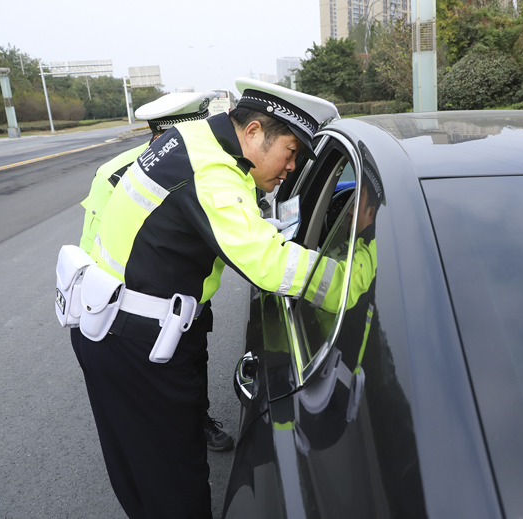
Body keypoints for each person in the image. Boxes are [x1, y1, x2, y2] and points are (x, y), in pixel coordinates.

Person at [67, 78, 339, 518]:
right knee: (175, 481)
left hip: (111, 326)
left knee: (139, 466)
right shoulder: (212, 169)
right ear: (252, 132)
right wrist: (356, 280)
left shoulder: (189, 138)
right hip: (139, 342)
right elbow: (268, 263)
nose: (291, 168)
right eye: (291, 153)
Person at [77, 91, 235, 451]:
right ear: (163, 136)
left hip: (194, 301)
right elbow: (92, 244)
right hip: (134, 310)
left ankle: (199, 420)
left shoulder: (214, 167)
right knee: (150, 390)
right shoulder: (115, 174)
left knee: (194, 360)